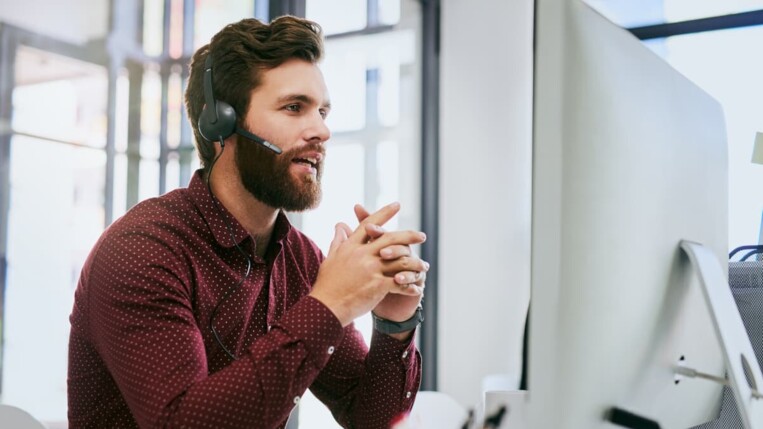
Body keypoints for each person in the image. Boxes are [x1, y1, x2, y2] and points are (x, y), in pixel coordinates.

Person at [67, 15, 428, 429]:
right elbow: (182, 424)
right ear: (221, 121)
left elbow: (371, 419)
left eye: (323, 111)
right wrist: (330, 304)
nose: (322, 131)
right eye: (295, 108)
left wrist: (395, 322)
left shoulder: (298, 261)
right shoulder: (143, 249)